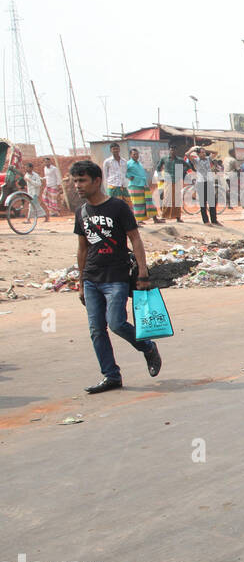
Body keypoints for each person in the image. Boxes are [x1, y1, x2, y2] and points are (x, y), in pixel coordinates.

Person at [69, 160, 161, 393]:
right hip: (91, 278)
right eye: (75, 181)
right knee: (96, 330)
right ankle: (111, 376)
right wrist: (81, 283)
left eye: (82, 180)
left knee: (117, 323)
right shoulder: (81, 212)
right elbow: (82, 248)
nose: (78, 185)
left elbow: (135, 240)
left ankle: (148, 347)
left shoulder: (118, 207)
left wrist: (142, 272)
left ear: (97, 181)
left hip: (116, 276)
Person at [125, 148, 152, 223]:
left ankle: (140, 219)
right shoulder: (128, 163)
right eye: (134, 154)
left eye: (137, 154)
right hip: (134, 185)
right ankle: (137, 220)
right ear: (130, 155)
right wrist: (129, 176)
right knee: (136, 203)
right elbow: (124, 171)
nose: (136, 156)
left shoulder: (139, 163)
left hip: (142, 184)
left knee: (142, 203)